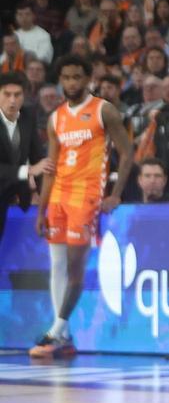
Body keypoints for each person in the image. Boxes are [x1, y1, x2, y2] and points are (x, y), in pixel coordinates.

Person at [30, 55, 134, 357]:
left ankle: (57, 330)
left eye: (77, 77)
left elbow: (127, 154)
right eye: (66, 77)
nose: (71, 83)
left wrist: (115, 194)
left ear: (88, 78)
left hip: (86, 197)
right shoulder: (55, 118)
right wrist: (41, 209)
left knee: (75, 267)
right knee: (57, 266)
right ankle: (61, 333)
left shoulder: (104, 110)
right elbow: (51, 167)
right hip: (58, 197)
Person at [0, 72, 49, 243]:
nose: (12, 100)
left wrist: (45, 198)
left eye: (17, 95)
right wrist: (27, 170)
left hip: (19, 196)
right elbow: (33, 167)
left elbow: (38, 159)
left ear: (24, 96)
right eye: (7, 94)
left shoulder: (28, 116)